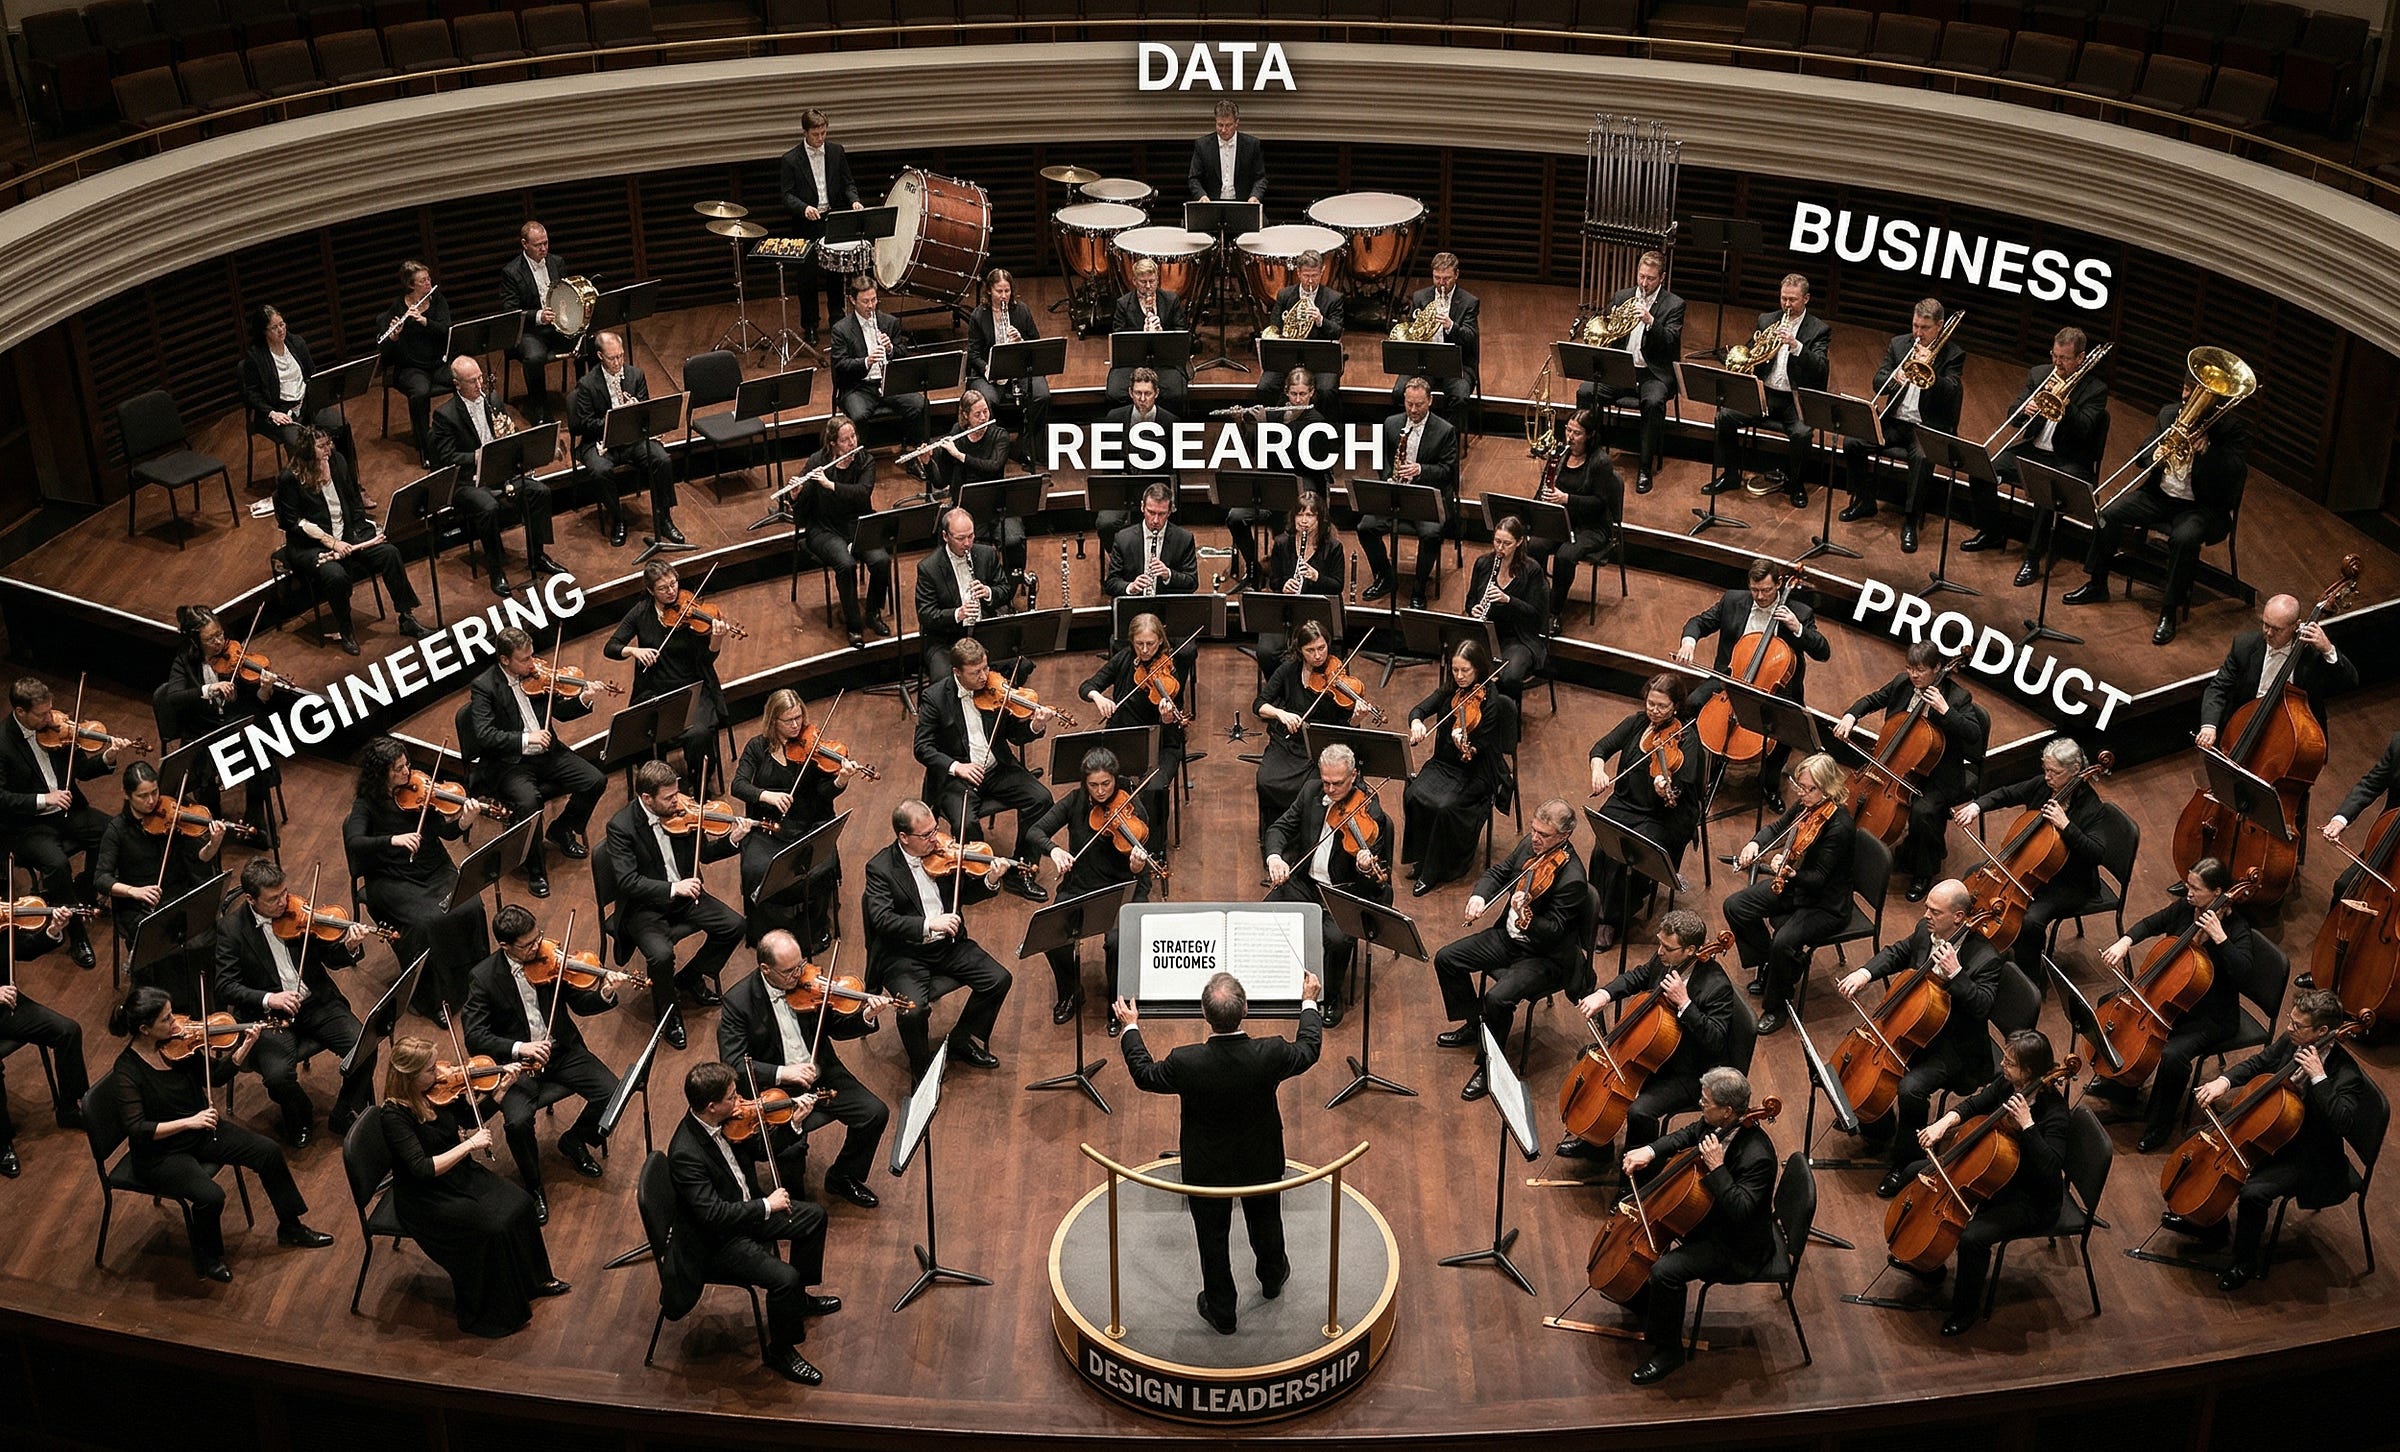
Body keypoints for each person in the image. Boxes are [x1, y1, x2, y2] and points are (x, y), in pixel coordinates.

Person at [1115, 968, 1320, 1335]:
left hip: (1207, 1168)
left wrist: (1131, 1027)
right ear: (1246, 1009)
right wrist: (1308, 1001)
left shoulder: (1186, 1061)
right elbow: (1308, 1049)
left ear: (1204, 1014)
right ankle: (1272, 1277)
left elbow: (1144, 1074)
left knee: (1212, 1239)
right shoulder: (1270, 1052)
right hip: (1260, 1159)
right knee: (1267, 1221)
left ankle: (1222, 1310)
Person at [107, 984, 334, 1282]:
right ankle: (208, 1259)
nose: (176, 1023)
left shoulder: (178, 1046)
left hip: (200, 1130)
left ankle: (290, 1227)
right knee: (211, 1197)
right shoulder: (127, 1070)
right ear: (144, 1029)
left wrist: (244, 1048)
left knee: (267, 1152)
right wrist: (190, 1121)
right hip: (161, 1153)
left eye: (172, 1014)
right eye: (166, 1019)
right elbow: (138, 1129)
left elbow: (214, 1077)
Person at [2165, 989, 2369, 1292]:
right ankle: (2210, 1224)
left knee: (2254, 1192)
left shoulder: (2346, 1075)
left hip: (2311, 1154)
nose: (2289, 1028)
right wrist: (2224, 1081)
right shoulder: (2294, 1040)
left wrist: (2318, 1078)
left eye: (2298, 1025)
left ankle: (2244, 1262)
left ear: (2322, 1031)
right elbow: (2260, 1062)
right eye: (2290, 1020)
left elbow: (2343, 1122)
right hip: (2272, 1132)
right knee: (2199, 1139)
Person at [372, 1036, 568, 1336]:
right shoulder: (394, 1115)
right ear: (409, 1077)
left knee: (521, 1203)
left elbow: (466, 1117)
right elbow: (422, 1169)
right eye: (430, 1070)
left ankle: (534, 1281)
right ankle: (498, 1312)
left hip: (459, 1175)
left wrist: (500, 1092)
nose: (440, 1073)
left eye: (436, 1066)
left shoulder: (435, 1093)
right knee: (491, 1229)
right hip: (426, 1197)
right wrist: (468, 1146)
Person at [667, 1060, 841, 1386]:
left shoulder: (729, 1121)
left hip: (748, 1211)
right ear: (711, 1106)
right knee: (784, 1278)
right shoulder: (686, 1153)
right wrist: (765, 1205)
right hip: (718, 1240)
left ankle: (797, 1302)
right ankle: (781, 1351)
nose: (742, 1102)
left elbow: (761, 1150)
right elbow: (713, 1215)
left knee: (814, 1218)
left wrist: (793, 1125)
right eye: (732, 1097)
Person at [1836, 878, 2002, 1198]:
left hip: (1956, 1046)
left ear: (1958, 917)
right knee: (1857, 1050)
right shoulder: (1927, 931)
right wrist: (1864, 973)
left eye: (1935, 911)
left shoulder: (1986, 958)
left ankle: (1906, 1164)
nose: (1926, 915)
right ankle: (1878, 1127)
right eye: (1927, 907)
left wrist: (1956, 974)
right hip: (1914, 1027)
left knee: (1911, 1088)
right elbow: (1899, 951)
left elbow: (1982, 1007)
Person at [1899, 1028, 2069, 1335]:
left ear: (2029, 1071)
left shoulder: (2054, 1112)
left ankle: (1965, 1311)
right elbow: (1975, 1105)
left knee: (1973, 1238)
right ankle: (1928, 1263)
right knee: (1914, 1172)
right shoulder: (2008, 1084)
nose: (2002, 1064)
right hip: (1994, 1172)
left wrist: (2028, 1126)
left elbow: (2050, 1168)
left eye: (2010, 1062)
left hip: (2032, 1198)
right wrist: (1942, 1125)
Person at [461, 903, 623, 1223]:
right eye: (528, 945)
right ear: (505, 946)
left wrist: (605, 993)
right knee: (517, 1123)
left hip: (562, 1051)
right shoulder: (483, 978)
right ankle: (534, 1186)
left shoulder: (549, 960)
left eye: (539, 937)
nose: (538, 947)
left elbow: (581, 1004)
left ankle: (575, 1140)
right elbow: (475, 1036)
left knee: (612, 1092)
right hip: (517, 1068)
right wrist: (520, 1047)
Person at [1618, 1066, 1777, 1384]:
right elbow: (1687, 1134)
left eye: (1706, 1102)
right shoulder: (1718, 1125)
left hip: (1736, 1246)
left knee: (1666, 1272)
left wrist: (1717, 1168)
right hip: (1710, 1218)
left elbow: (1741, 1211)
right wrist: (1649, 1151)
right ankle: (1650, 1304)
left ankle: (1669, 1352)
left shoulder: (1758, 1156)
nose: (1700, 1105)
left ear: (1728, 1110)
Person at [2090, 857, 2256, 1152]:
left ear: (2218, 892)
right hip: (2172, 1001)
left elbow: (2244, 974)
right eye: (2188, 885)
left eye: (2195, 888)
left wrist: (2220, 938)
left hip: (2212, 1016)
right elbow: (2152, 923)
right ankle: (2122, 1086)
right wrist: (2125, 941)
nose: (2188, 892)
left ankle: (2159, 1125)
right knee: (2111, 1004)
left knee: (2173, 1055)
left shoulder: (2237, 929)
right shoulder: (2186, 909)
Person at [2064, 384, 2250, 646]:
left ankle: (2169, 611)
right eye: (2186, 388)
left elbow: (2235, 472)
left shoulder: (2230, 428)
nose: (2186, 396)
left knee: (2184, 539)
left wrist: (2208, 450)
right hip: (2158, 497)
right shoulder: (2169, 414)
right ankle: (2097, 583)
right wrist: (2156, 452)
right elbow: (2141, 456)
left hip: (2201, 507)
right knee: (2108, 513)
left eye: (2194, 391)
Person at [718, 929, 891, 1210]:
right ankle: (798, 1210)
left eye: (800, 965)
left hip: (821, 1073)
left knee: (874, 1113)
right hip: (776, 1089)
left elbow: (836, 1026)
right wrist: (783, 1072)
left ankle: (842, 1177)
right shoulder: (738, 1002)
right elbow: (733, 1062)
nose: (799, 975)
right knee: (791, 1151)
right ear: (765, 969)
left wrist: (867, 1015)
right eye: (789, 971)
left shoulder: (808, 984)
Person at [1431, 800, 1590, 1101]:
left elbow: (1554, 931)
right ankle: (1475, 1024)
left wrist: (1528, 915)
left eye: (1544, 834)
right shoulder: (1530, 847)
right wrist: (1479, 896)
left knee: (1498, 998)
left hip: (1544, 957)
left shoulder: (1572, 879)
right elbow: (1500, 872)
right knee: (1447, 959)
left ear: (1564, 836)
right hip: (1508, 938)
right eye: (1534, 829)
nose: (1535, 838)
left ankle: (1490, 1065)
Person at [215, 856, 378, 1148]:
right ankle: (300, 1114)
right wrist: (270, 998)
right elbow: (226, 986)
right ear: (251, 900)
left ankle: (343, 1111)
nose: (284, 902)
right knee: (278, 1077)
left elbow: (330, 958)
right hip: (269, 1018)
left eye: (284, 892)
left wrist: (349, 946)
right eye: (273, 899)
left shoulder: (298, 912)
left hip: (315, 1003)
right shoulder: (231, 929)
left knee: (364, 1044)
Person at [1560, 909, 1735, 1164]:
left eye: (1668, 947)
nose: (1660, 951)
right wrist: (1603, 995)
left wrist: (1685, 1004)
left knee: (1640, 1111)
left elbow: (1716, 1040)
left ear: (1690, 950)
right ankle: (1597, 1142)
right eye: (1659, 943)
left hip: (1687, 1070)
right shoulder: (1668, 958)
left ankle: (1637, 1174)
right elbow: (1640, 975)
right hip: (1652, 1051)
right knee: (1591, 1057)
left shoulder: (1717, 986)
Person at [862, 798, 1015, 1082]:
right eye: (926, 835)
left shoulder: (944, 853)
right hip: (904, 955)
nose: (935, 839)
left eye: (935, 829)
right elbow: (882, 920)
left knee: (998, 979)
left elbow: (965, 893)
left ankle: (962, 1038)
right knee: (912, 1011)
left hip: (948, 944)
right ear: (904, 837)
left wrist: (991, 880)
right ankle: (921, 1069)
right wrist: (928, 924)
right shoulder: (880, 868)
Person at [604, 760, 749, 1050]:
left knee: (734, 926)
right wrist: (673, 887)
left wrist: (733, 840)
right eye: (668, 797)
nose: (677, 802)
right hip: (644, 907)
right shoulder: (621, 827)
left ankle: (689, 978)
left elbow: (704, 854)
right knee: (660, 956)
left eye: (676, 794)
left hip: (685, 897)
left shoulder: (682, 811)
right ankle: (668, 1016)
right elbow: (628, 882)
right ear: (647, 798)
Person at [344, 735, 492, 1015]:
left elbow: (445, 831)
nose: (407, 772)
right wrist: (393, 840)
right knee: (429, 923)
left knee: (470, 903)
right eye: (398, 768)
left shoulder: (419, 790)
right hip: (392, 878)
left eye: (407, 764)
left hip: (433, 867)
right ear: (381, 773)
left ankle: (479, 978)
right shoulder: (366, 805)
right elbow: (355, 842)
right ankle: (436, 998)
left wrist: (464, 820)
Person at [1833, 641, 1986, 901]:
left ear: (1937, 668)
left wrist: (1946, 711)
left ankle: (1923, 872)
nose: (1913, 675)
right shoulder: (1902, 683)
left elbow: (1974, 734)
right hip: (1897, 765)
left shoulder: (1958, 698)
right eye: (1910, 668)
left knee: (1923, 812)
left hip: (1939, 773)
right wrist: (1851, 715)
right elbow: (1873, 699)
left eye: (1920, 670)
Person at [464, 627, 606, 900]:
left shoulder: (537, 676)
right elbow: (485, 735)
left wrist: (584, 698)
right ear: (505, 660)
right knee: (530, 803)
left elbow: (560, 712)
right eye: (524, 659)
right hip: (510, 763)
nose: (532, 664)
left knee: (595, 780)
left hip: (547, 753)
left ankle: (561, 829)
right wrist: (525, 738)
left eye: (532, 655)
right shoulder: (485, 687)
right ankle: (535, 869)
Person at [1676, 558, 1830, 808]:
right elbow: (1699, 622)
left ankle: (1769, 784)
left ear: (1778, 584)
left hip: (1774, 689)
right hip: (1731, 679)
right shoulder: (1733, 600)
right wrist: (1688, 642)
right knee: (1693, 703)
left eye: (1766, 590)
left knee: (1785, 731)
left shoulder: (1800, 613)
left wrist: (1797, 628)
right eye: (1754, 590)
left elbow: (1823, 652)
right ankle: (1705, 770)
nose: (1759, 596)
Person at [1963, 326, 2109, 586]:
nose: (2057, 363)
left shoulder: (2095, 390)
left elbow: (2085, 430)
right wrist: (2025, 409)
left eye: (2064, 358)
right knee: (1983, 469)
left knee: (2045, 488)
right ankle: (1992, 531)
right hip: (2033, 450)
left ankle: (2032, 557)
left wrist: (2065, 406)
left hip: (2070, 460)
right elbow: (2012, 415)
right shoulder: (2040, 374)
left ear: (2080, 358)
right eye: (2054, 355)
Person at [1951, 736, 2107, 981]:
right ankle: (1973, 954)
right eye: (2045, 770)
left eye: (2054, 772)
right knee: (1974, 875)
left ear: (2075, 770)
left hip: (2068, 882)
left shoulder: (2091, 807)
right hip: (2026, 868)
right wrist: (1977, 807)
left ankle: (2029, 980)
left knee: (2030, 921)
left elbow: (2096, 853)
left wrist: (2067, 826)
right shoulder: (2044, 787)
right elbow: (2007, 793)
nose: (2047, 777)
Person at [1723, 752, 1857, 1036]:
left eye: (1809, 789)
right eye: (1800, 787)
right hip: (1795, 887)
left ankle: (1777, 1007)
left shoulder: (1840, 826)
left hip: (1825, 903)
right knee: (1735, 906)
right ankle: (1774, 967)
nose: (1802, 794)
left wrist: (1788, 872)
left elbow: (1818, 879)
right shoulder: (1807, 805)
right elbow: (1777, 827)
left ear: (1828, 788)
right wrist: (1755, 844)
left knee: (1783, 942)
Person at [913, 637, 1055, 903]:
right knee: (965, 823)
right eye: (975, 672)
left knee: (1041, 798)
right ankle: (979, 880)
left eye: (985, 668)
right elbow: (922, 748)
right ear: (957, 672)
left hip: (997, 768)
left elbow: (1014, 734)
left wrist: (1035, 725)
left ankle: (1021, 872)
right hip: (957, 778)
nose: (984, 676)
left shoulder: (994, 688)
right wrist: (958, 767)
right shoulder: (935, 698)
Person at [1024, 749, 1158, 1030]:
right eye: (1093, 785)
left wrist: (1136, 865)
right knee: (1051, 931)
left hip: (1122, 888)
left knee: (1118, 942)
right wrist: (1055, 850)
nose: (1100, 791)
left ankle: (1117, 1004)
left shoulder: (1132, 805)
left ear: (1115, 779)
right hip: (1081, 884)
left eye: (1106, 784)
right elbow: (1035, 831)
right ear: (1085, 783)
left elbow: (1141, 865)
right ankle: (1071, 992)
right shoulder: (1075, 801)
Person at [1264, 745, 1392, 1026]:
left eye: (1338, 783)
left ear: (1353, 775)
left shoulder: (1372, 813)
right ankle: (1283, 973)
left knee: (1337, 938)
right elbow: (1279, 828)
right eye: (1326, 782)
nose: (1331, 790)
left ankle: (1331, 995)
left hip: (1343, 890)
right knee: (1269, 909)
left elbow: (1375, 884)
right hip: (1307, 882)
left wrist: (1363, 866)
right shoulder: (1311, 792)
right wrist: (1275, 858)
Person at [274, 424, 427, 654]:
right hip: (310, 546)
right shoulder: (290, 478)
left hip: (347, 536)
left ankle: (406, 617)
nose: (329, 449)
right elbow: (292, 522)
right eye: (322, 446)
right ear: (307, 449)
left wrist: (362, 529)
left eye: (329, 443)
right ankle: (345, 630)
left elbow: (353, 498)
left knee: (389, 553)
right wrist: (331, 542)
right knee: (336, 575)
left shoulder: (337, 461)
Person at [0, 675, 119, 969]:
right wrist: (44, 799)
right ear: (20, 712)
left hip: (67, 811)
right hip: (27, 825)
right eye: (41, 714)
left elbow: (82, 770)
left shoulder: (57, 728)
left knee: (112, 830)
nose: (50, 719)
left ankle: (87, 887)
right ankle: (76, 934)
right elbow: (2, 798)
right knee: (56, 864)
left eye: (49, 710)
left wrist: (108, 757)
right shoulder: (3, 743)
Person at [732, 689, 863, 952]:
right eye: (788, 720)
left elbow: (823, 793)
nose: (796, 725)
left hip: (808, 823)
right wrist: (766, 795)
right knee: (757, 869)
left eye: (799, 718)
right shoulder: (757, 747)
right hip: (768, 827)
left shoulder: (813, 749)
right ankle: (769, 931)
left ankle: (811, 928)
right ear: (773, 721)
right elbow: (738, 785)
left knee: (819, 867)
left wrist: (841, 779)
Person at [424, 355, 564, 598]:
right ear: (457, 384)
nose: (479, 385)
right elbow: (446, 457)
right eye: (472, 381)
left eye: (480, 378)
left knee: (539, 492)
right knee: (488, 507)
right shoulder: (445, 415)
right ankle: (496, 569)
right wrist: (478, 456)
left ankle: (537, 555)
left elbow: (509, 431)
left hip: (499, 472)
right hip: (467, 481)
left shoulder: (492, 401)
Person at [94, 761, 230, 1007]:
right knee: (169, 951)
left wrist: (214, 843)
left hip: (178, 893)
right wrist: (134, 891)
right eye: (142, 796)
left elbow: (199, 857)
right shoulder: (117, 830)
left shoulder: (171, 817)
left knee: (205, 939)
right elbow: (101, 878)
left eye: (154, 792)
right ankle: (172, 1008)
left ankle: (209, 1004)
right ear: (127, 794)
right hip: (139, 907)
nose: (151, 801)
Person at [1586, 674, 1704, 949]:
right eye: (1651, 703)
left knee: (1626, 853)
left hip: (1663, 814)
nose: (1654, 710)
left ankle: (1613, 918)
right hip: (1626, 801)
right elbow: (1601, 748)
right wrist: (1598, 770)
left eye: (1662, 706)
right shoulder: (1638, 722)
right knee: (1602, 849)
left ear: (1676, 706)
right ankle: (1595, 908)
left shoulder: (1687, 738)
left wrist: (1665, 787)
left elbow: (1684, 784)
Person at [1839, 298, 1964, 555]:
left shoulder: (1953, 354)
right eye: (1915, 325)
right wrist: (1894, 376)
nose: (1918, 333)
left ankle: (1910, 520)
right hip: (1895, 421)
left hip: (1926, 427)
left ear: (1939, 326)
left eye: (1924, 328)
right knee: (1853, 442)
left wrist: (1930, 371)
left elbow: (1952, 391)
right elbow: (1878, 382)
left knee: (1922, 457)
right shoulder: (1899, 344)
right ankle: (1864, 500)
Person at [156, 604, 282, 846]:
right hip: (202, 733)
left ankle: (255, 821)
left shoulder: (233, 656)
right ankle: (212, 824)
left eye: (220, 634)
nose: (219, 642)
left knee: (259, 749)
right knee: (205, 769)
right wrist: (208, 689)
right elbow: (173, 697)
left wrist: (265, 690)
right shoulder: (184, 661)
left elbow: (254, 704)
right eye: (210, 639)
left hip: (231, 728)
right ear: (196, 641)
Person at [1402, 639, 1516, 895]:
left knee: (1445, 807)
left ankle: (1436, 870)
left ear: (1478, 669)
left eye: (1466, 670)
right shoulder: (1451, 689)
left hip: (1476, 770)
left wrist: (1467, 744)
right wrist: (1417, 722)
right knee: (1413, 793)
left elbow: (1483, 745)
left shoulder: (1491, 700)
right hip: (1445, 763)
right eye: (1455, 670)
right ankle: (1422, 857)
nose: (1460, 676)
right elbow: (1420, 708)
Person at [1706, 272, 1827, 509]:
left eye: (1792, 299)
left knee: (1802, 434)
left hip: (1794, 399)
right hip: (1765, 394)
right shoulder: (1767, 320)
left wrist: (1796, 346)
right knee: (1724, 417)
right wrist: (1743, 359)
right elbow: (1751, 350)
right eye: (1783, 298)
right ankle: (1730, 475)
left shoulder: (1818, 330)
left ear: (1806, 299)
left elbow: (1821, 369)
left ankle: (1796, 484)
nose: (1787, 304)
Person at [1253, 621, 1379, 849]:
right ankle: (1274, 837)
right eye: (1310, 650)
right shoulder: (1289, 670)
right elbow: (1259, 704)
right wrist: (1281, 714)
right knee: (1266, 780)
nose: (1318, 656)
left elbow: (1346, 726)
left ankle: (1307, 840)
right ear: (1300, 650)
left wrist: (1357, 718)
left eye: (1322, 648)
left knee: (1311, 787)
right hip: (1290, 740)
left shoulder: (1338, 673)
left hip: (1323, 743)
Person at [605, 561, 732, 787]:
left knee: (698, 734)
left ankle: (699, 785)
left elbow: (706, 659)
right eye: (663, 588)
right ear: (650, 590)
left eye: (674, 583)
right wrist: (634, 651)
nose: (672, 591)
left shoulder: (692, 613)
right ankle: (657, 787)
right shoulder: (641, 612)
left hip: (692, 689)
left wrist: (717, 638)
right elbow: (611, 647)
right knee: (639, 734)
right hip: (653, 690)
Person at [1576, 249, 1682, 494]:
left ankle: (1644, 468)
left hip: (1652, 374)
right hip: (1621, 370)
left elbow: (1670, 341)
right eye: (1641, 276)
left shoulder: (1674, 305)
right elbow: (1607, 327)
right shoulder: (1622, 296)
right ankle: (1590, 455)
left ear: (1662, 278)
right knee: (1586, 391)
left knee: (1653, 402)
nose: (1644, 283)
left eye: (1650, 278)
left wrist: (1651, 321)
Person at [2196, 592, 2354, 747]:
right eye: (2266, 625)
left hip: (2294, 736)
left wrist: (2328, 650)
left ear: (2296, 625)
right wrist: (2209, 726)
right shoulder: (2244, 646)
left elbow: (2350, 681)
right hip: (2245, 725)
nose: (2269, 633)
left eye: (2277, 629)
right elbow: (2218, 688)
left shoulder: (2312, 653)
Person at [0, 908, 90, 1177]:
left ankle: (69, 1109)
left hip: (6, 1006)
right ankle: (1, 1142)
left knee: (67, 1031)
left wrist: (53, 929)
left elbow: (24, 949)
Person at [570, 330, 680, 550]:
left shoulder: (635, 375)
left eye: (621, 356)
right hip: (599, 442)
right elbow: (584, 424)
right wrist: (615, 419)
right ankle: (618, 519)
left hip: (631, 440)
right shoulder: (587, 384)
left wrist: (635, 411)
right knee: (600, 471)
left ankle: (664, 518)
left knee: (662, 459)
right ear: (600, 356)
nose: (618, 362)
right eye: (612, 358)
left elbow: (646, 410)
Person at [1081, 612, 1189, 833]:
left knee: (1154, 788)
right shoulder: (1124, 658)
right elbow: (1087, 686)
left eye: (1151, 644)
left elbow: (1174, 723)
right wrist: (1098, 697)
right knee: (1098, 780)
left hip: (1159, 743)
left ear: (1160, 641)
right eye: (1140, 644)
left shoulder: (1170, 670)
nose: (1145, 650)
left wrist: (1167, 718)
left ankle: (1154, 841)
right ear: (1132, 641)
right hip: (1122, 736)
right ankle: (1109, 837)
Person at [1356, 378, 1459, 610]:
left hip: (1425, 496)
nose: (1413, 410)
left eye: (1419, 404)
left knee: (1431, 534)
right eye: (1409, 404)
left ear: (1430, 401)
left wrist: (1421, 470)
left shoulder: (1445, 431)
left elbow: (1448, 471)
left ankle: (1419, 588)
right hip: (1395, 494)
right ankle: (1385, 576)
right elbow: (1381, 458)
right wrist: (1388, 478)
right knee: (1365, 527)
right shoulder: (1391, 423)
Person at [793, 416, 891, 647]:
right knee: (845, 565)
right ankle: (854, 625)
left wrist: (831, 485)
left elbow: (862, 493)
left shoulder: (865, 460)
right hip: (825, 528)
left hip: (857, 524)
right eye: (846, 440)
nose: (852, 442)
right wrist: (796, 494)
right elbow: (804, 504)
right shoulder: (817, 461)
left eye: (853, 436)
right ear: (833, 443)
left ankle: (873, 613)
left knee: (881, 561)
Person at [776, 107, 862, 348]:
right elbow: (786, 195)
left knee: (836, 272)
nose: (821, 138)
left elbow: (848, 183)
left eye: (824, 133)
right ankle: (811, 325)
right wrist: (804, 208)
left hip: (832, 218)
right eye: (816, 134)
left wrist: (854, 200)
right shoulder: (790, 159)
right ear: (805, 132)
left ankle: (837, 320)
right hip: (807, 223)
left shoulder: (836, 151)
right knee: (807, 277)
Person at [237, 304, 356, 468]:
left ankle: (347, 479)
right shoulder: (256, 357)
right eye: (274, 328)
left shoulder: (296, 343)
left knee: (341, 426)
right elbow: (251, 394)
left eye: (282, 324)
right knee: (298, 443)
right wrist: (272, 413)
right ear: (264, 332)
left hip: (307, 404)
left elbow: (311, 374)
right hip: (280, 411)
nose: (281, 330)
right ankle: (307, 482)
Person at [1539, 409, 1624, 630]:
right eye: (1568, 430)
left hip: (1593, 527)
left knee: (1565, 556)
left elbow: (1600, 503)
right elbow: (1545, 487)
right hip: (1563, 520)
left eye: (1576, 433)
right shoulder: (1560, 454)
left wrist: (1567, 498)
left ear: (1590, 435)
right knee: (1534, 546)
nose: (1570, 437)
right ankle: (1539, 598)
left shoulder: (1601, 462)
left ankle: (1554, 612)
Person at [913, 507, 1018, 683]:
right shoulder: (929, 568)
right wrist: (957, 614)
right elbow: (926, 614)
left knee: (1018, 665)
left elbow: (1005, 589)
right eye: (960, 538)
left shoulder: (986, 554)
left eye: (971, 536)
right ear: (945, 536)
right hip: (947, 639)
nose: (967, 543)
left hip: (982, 631)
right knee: (943, 680)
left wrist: (988, 592)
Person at [830, 275, 929, 452]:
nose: (871, 306)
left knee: (919, 404)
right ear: (852, 300)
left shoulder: (889, 322)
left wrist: (890, 349)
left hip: (889, 383)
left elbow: (902, 354)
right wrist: (866, 361)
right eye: (865, 301)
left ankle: (915, 451)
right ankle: (859, 458)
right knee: (859, 416)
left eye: (874, 300)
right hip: (858, 387)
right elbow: (841, 365)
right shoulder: (841, 329)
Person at [926, 388, 1020, 574]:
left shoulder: (998, 435)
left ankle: (1009, 584)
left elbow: (993, 466)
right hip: (965, 507)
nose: (984, 418)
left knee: (1013, 541)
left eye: (986, 411)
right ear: (965, 416)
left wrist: (960, 456)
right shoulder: (957, 434)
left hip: (996, 505)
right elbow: (941, 481)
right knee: (970, 545)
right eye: (977, 414)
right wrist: (927, 462)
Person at [964, 267, 1050, 455]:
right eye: (999, 291)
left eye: (1007, 291)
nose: (1004, 296)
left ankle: (1028, 448)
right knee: (987, 400)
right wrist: (987, 368)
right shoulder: (979, 315)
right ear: (989, 291)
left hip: (1020, 367)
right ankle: (992, 450)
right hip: (989, 372)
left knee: (1041, 395)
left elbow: (1036, 342)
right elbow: (973, 354)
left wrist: (1020, 340)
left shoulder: (1021, 311)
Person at [1256, 489, 1343, 670]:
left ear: (1320, 519)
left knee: (1306, 652)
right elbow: (1274, 581)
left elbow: (1337, 585)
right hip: (1288, 610)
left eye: (1310, 515)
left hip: (1317, 612)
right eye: (1299, 514)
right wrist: (1284, 585)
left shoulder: (1333, 547)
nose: (1303, 521)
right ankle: (1280, 686)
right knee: (1266, 651)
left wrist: (1317, 577)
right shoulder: (1282, 543)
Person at [497, 220, 575, 422]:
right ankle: (540, 409)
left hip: (558, 326)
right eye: (538, 245)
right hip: (529, 331)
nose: (544, 248)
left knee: (589, 341)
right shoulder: (511, 272)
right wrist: (539, 316)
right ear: (524, 244)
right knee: (534, 357)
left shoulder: (557, 262)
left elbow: (566, 293)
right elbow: (511, 311)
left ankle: (586, 396)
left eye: (546, 243)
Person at [1465, 515, 1550, 696]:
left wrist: (1508, 600)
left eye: (1507, 543)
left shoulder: (1532, 570)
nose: (1500, 548)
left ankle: (1505, 710)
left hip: (1519, 638)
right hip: (1487, 634)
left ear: (1519, 542)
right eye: (1497, 541)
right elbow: (1470, 600)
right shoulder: (1483, 563)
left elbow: (1536, 615)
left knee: (1509, 677)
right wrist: (1473, 609)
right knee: (1462, 667)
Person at [378, 260, 452, 464]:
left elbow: (446, 330)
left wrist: (425, 321)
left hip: (438, 363)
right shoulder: (397, 307)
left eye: (429, 278)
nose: (429, 283)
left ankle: (458, 431)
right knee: (420, 392)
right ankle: (426, 448)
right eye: (423, 281)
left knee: (464, 377)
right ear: (411, 285)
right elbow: (383, 349)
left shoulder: (437, 300)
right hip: (410, 368)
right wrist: (394, 336)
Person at [1391, 251, 1477, 416]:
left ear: (1456, 275)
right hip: (1424, 363)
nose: (1441, 283)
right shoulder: (1420, 297)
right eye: (1437, 278)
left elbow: (1470, 337)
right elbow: (1412, 330)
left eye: (1446, 278)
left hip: (1456, 366)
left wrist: (1451, 326)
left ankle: (1449, 432)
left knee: (1459, 397)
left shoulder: (1469, 302)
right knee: (1399, 392)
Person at [1253, 250, 1343, 404]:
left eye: (1315, 275)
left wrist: (1320, 320)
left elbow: (1337, 332)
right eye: (1306, 275)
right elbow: (1275, 326)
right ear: (1298, 272)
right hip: (1287, 357)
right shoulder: (1285, 295)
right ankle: (1275, 418)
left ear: (1322, 271)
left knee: (1326, 390)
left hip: (1319, 360)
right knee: (1265, 387)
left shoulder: (1334, 298)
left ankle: (1324, 420)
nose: (1310, 281)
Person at [1107, 271, 1191, 414]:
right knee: (1115, 392)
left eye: (1152, 281)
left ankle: (1167, 422)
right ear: (1134, 281)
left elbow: (1182, 334)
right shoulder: (1123, 303)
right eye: (1143, 282)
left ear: (1157, 280)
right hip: (1132, 361)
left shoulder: (1171, 300)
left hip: (1165, 359)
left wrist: (1161, 333)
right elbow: (1119, 338)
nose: (1148, 286)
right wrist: (1142, 332)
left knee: (1175, 392)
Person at [1104, 481, 1198, 598]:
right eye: (1151, 512)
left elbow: (1192, 583)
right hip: (1134, 604)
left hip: (1167, 604)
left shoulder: (1184, 539)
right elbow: (1111, 583)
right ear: (1142, 507)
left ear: (1170, 511)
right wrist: (1130, 587)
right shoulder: (1123, 539)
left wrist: (1168, 575)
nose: (1156, 520)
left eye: (1162, 514)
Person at [1187, 99, 1268, 204]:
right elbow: (1194, 179)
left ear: (1236, 123)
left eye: (1228, 125)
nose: (1224, 130)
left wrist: (1255, 196)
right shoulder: (1202, 145)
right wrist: (1202, 196)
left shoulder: (1252, 145)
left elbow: (1260, 178)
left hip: (1243, 204)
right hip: (1211, 204)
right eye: (1220, 125)